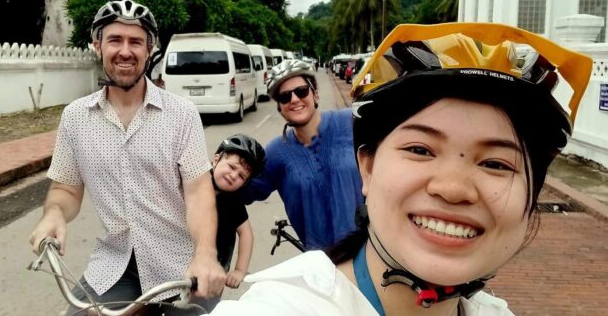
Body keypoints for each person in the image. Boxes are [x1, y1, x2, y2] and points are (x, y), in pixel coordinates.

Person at [209, 22, 592, 315]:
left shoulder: (347, 123)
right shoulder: (286, 305)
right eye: (420, 149)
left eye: (495, 163)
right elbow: (237, 195)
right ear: (368, 167)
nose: (453, 188)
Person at [28, 0, 225, 315]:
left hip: (180, 263)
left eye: (136, 42)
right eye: (115, 40)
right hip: (114, 263)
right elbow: (65, 189)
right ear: (97, 45)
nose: (125, 51)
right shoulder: (75, 117)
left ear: (149, 51)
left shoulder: (182, 114)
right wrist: (53, 214)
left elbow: (198, 192)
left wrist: (205, 253)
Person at [240, 59, 363, 250]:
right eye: (285, 97)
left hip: (370, 254)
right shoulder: (275, 154)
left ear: (315, 94)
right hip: (321, 264)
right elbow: (238, 191)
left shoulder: (351, 122)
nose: (295, 100)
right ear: (280, 108)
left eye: (301, 91)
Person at [205, 134, 265, 311]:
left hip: (214, 272)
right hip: (175, 262)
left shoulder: (233, 200)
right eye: (231, 167)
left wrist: (239, 270)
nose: (233, 175)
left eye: (241, 176)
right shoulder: (194, 183)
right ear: (216, 159)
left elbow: (246, 233)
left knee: (203, 310)